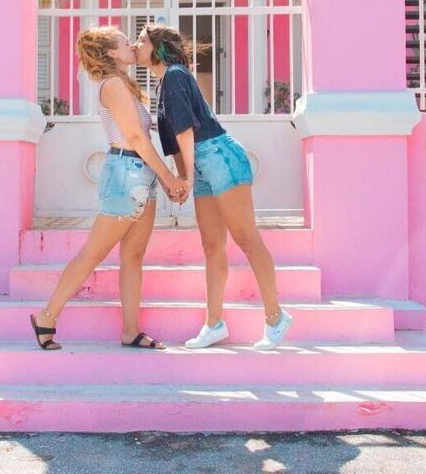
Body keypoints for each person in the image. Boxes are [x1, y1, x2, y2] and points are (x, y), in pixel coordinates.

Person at [136, 24, 293, 351]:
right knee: (212, 246)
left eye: (142, 40)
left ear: (159, 48)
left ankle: (275, 318)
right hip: (202, 163)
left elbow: (186, 132)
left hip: (219, 156)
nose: (136, 44)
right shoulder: (166, 82)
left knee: (247, 238)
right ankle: (214, 323)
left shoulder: (176, 76)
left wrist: (187, 179)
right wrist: (180, 181)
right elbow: (177, 142)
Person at [30, 26, 187, 351]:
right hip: (127, 173)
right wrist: (168, 178)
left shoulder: (124, 85)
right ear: (112, 53)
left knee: (133, 256)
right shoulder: (114, 85)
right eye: (123, 41)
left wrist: (159, 177)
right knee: (94, 252)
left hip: (138, 172)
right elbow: (135, 138)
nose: (131, 44)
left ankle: (130, 331)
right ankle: (47, 315)